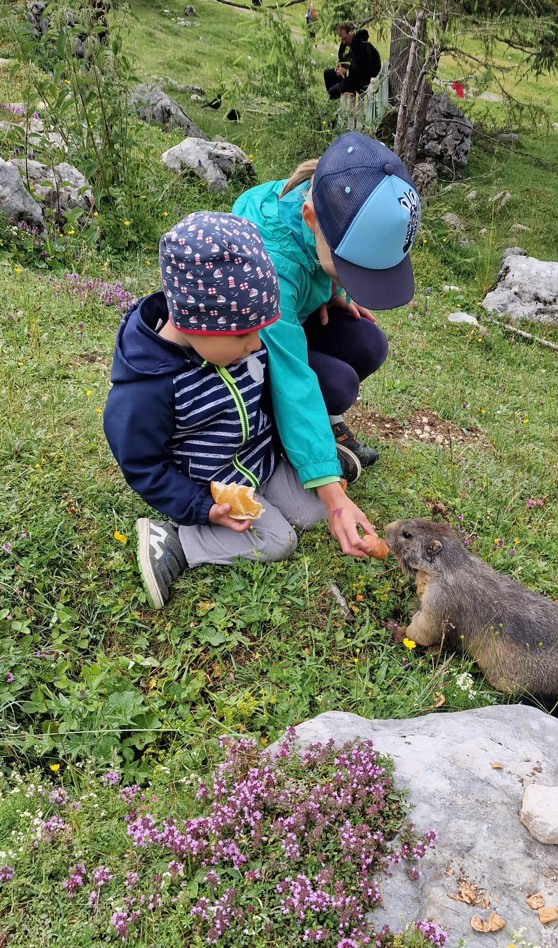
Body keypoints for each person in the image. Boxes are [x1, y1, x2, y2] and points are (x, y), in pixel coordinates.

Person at [103, 211, 328, 609]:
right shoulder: (149, 388)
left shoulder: (227, 343)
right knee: (279, 541)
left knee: (315, 511)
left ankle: (299, 475)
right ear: (195, 321)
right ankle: (176, 540)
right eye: (245, 333)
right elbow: (142, 466)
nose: (257, 345)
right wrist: (202, 508)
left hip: (262, 462)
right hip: (212, 488)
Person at [232, 131, 422, 559]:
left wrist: (335, 292)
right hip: (243, 355)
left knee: (368, 343)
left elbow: (319, 261)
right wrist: (333, 497)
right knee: (334, 382)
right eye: (350, 269)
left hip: (287, 321)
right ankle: (284, 443)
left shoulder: (325, 204)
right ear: (311, 217)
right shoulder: (271, 269)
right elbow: (291, 378)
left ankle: (321, 431)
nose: (353, 279)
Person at [323, 23, 376, 100]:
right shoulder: (346, 44)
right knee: (328, 74)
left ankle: (333, 101)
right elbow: (342, 58)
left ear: (350, 33)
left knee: (332, 92)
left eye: (344, 38)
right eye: (341, 39)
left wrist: (346, 72)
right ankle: (335, 101)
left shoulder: (361, 47)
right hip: (349, 77)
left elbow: (362, 70)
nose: (343, 42)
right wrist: (340, 66)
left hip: (359, 81)